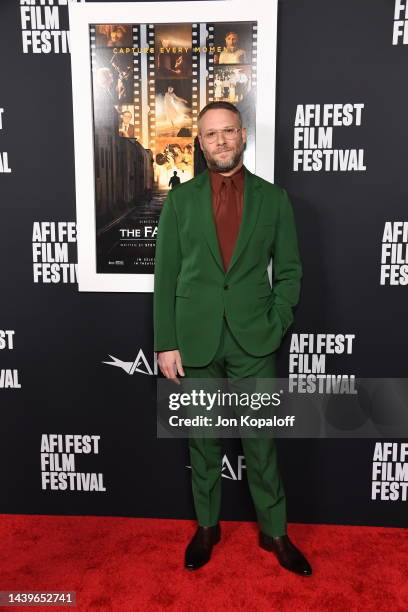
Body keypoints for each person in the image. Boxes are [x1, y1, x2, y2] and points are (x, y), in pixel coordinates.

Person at [153, 101, 312, 577]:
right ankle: (207, 527)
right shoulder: (180, 201)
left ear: (243, 135)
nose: (220, 141)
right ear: (199, 144)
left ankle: (276, 532)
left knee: (260, 442)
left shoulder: (274, 199)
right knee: (202, 442)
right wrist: (166, 342)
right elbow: (166, 277)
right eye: (210, 135)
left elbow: (288, 272)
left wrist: (276, 321)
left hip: (254, 341)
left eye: (228, 132)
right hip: (194, 339)